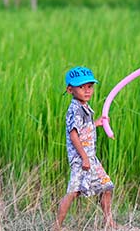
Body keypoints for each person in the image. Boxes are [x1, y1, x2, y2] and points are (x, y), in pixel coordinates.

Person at [55, 66, 116, 230]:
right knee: (73, 192)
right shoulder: (75, 110)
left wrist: (96, 123)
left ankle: (108, 221)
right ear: (70, 90)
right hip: (81, 159)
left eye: (89, 86)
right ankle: (56, 226)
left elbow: (84, 129)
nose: (87, 91)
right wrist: (84, 157)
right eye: (81, 87)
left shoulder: (85, 108)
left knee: (107, 186)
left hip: (90, 158)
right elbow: (74, 135)